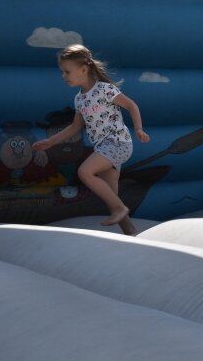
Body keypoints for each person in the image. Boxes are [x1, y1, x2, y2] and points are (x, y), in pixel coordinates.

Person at [32, 44, 149, 236]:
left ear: (84, 69)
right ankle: (130, 231)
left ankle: (120, 209)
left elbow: (131, 106)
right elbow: (75, 127)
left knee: (85, 172)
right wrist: (51, 141)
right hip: (104, 147)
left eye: (67, 72)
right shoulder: (79, 99)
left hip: (118, 143)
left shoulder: (104, 90)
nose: (63, 76)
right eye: (63, 72)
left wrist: (138, 129)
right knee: (111, 194)